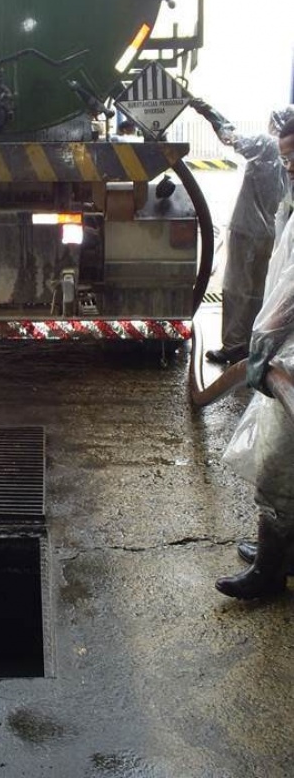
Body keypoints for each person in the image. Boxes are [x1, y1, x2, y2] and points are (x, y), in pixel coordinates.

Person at [215, 115, 294, 599]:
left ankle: (270, 572)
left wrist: (265, 342)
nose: (289, 166)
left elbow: (290, 292)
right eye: (287, 158)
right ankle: (283, 553)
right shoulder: (290, 206)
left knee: (277, 464)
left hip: (290, 357)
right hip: (287, 354)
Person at [190, 99, 294, 364]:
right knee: (259, 288)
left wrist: (205, 109)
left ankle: (233, 346)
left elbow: (229, 135)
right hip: (269, 230)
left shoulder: (268, 144)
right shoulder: (285, 154)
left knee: (236, 287)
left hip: (246, 228)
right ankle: (251, 342)